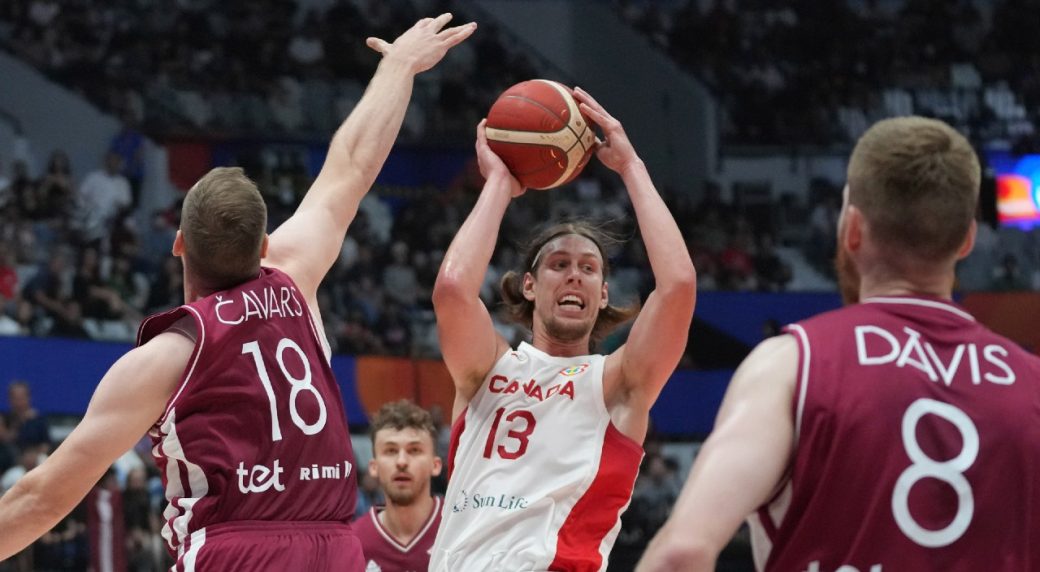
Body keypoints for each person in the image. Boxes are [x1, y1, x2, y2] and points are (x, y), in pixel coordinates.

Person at [0, 13, 474, 570]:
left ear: (178, 243)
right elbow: (351, 165)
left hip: (233, 550)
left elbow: (42, 498)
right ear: (264, 244)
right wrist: (398, 67)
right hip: (334, 548)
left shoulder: (165, 357)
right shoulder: (295, 273)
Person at [636, 117, 1040, 572]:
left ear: (851, 229)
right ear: (967, 239)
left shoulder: (793, 365)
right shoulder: (1032, 384)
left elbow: (680, 554)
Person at [429, 88, 697, 570]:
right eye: (559, 263)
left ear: (603, 295)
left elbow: (677, 287)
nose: (575, 274)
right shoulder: (486, 368)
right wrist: (498, 185)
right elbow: (452, 291)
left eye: (589, 268)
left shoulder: (618, 383)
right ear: (529, 285)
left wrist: (632, 167)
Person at [353, 400, 443, 572]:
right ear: (374, 467)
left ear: (435, 465)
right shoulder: (353, 543)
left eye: (414, 450)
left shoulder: (461, 528)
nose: (402, 462)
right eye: (391, 451)